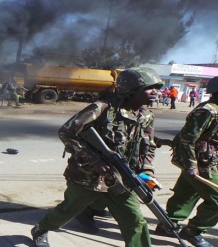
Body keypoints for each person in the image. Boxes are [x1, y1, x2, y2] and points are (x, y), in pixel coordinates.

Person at [31, 67, 163, 247]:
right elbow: (67, 132)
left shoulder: (146, 116)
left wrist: (147, 171)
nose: (156, 91)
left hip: (123, 178)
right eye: (150, 87)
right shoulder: (102, 108)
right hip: (88, 176)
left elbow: (148, 146)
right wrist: (94, 160)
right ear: (132, 90)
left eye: (157, 87)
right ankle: (40, 229)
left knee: (135, 220)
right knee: (67, 211)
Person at [155, 75, 218, 247]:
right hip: (200, 165)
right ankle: (193, 231)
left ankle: (167, 225)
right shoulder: (208, 111)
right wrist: (191, 165)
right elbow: (187, 140)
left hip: (207, 162)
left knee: (186, 194)